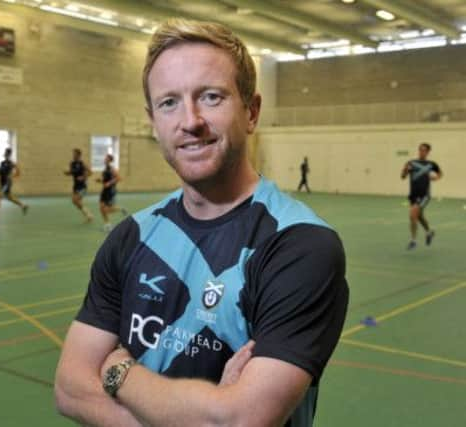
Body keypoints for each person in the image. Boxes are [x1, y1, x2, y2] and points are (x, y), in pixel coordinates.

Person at [55, 19, 349, 427]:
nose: (189, 120)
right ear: (153, 119)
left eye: (211, 97)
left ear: (251, 111)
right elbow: (70, 388)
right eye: (169, 102)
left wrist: (117, 371)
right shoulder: (132, 236)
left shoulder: (299, 245)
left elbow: (239, 421)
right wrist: (209, 409)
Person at [401, 142, 442, 250]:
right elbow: (403, 176)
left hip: (424, 195)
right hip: (413, 195)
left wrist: (435, 178)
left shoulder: (432, 164)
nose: (421, 151)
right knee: (419, 216)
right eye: (420, 149)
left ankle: (413, 241)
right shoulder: (411, 162)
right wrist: (405, 171)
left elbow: (440, 174)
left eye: (424, 150)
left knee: (412, 214)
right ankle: (429, 232)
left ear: (428, 152)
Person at [0, 148, 28, 221]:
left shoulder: (12, 163)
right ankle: (23, 206)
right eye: (5, 152)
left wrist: (11, 176)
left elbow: (18, 172)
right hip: (2, 182)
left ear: (8, 154)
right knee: (9, 198)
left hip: (6, 183)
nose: (5, 154)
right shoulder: (2, 162)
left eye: (6, 152)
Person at [97, 153, 127, 232]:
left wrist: (109, 183)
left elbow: (119, 178)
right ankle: (108, 224)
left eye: (106, 158)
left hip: (110, 191)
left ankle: (120, 209)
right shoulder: (105, 169)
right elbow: (105, 180)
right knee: (101, 208)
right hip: (104, 190)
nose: (104, 159)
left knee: (106, 209)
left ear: (110, 160)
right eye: (105, 158)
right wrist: (100, 181)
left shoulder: (111, 169)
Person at [64, 148, 93, 222]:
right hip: (75, 186)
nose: (73, 155)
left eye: (75, 154)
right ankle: (88, 215)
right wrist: (67, 172)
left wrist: (83, 177)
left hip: (82, 186)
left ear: (79, 155)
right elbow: (71, 172)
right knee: (76, 202)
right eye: (73, 154)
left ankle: (89, 215)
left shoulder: (82, 163)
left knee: (75, 200)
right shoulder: (72, 163)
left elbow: (90, 172)